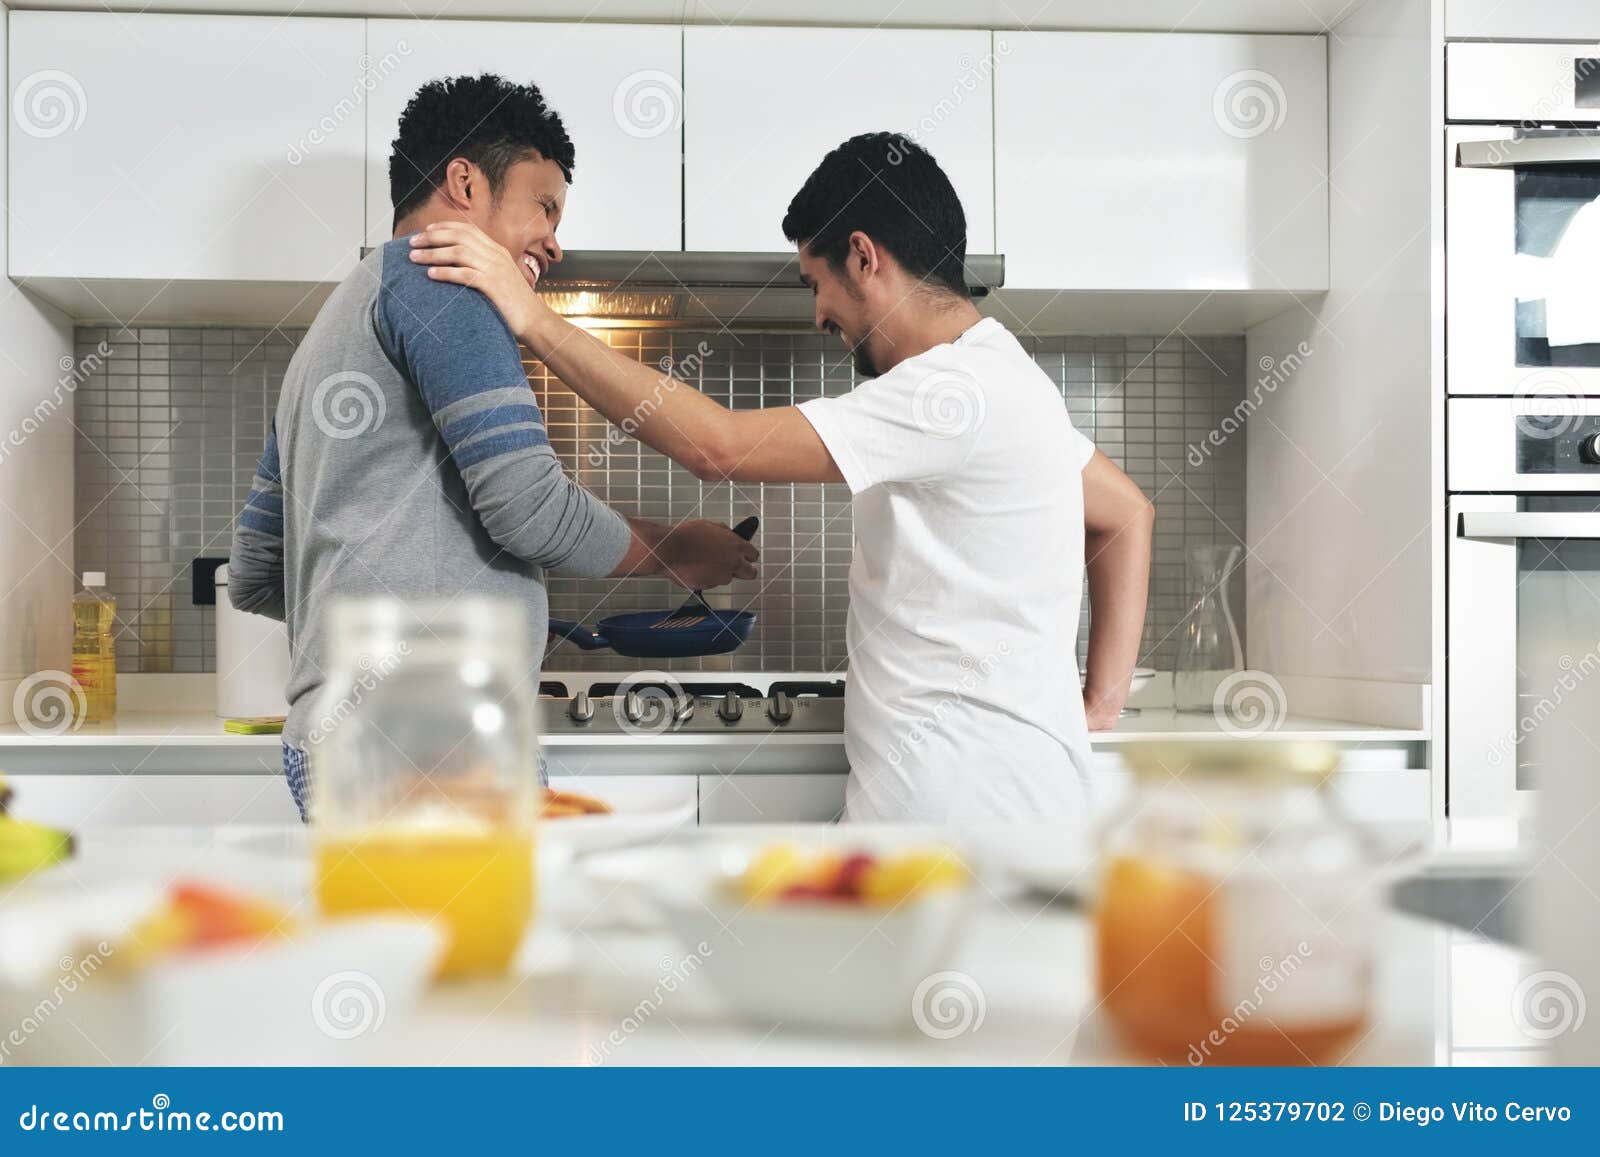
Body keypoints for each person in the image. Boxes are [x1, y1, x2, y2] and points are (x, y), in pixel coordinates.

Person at [407, 131, 1154, 824]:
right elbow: (1127, 512)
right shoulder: (1007, 379)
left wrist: (528, 314)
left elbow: (719, 448)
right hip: (1002, 804)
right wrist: (1099, 702)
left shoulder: (948, 394)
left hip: (962, 820)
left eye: (814, 282)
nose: (819, 314)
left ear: (864, 256)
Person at [228, 75, 757, 819]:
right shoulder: (445, 279)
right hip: (430, 739)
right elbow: (528, 509)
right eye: (543, 206)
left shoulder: (329, 330)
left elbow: (254, 573)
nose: (555, 240)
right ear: (465, 183)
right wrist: (676, 550)